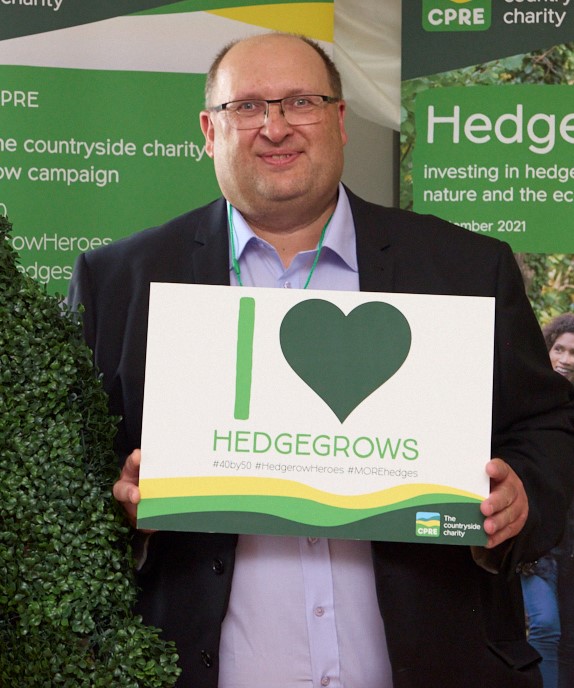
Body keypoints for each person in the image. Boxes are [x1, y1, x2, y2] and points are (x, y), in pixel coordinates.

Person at [67, 32, 574, 688]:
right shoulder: (120, 281)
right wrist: (122, 508)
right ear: (208, 129)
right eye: (246, 107)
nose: (275, 127)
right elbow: (69, 480)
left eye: (300, 102)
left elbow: (547, 428)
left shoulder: (466, 270)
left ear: (337, 120)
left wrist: (523, 499)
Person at [521, 313, 574, 688]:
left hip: (568, 545)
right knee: (545, 626)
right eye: (560, 348)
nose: (566, 358)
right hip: (537, 545)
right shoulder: (528, 400)